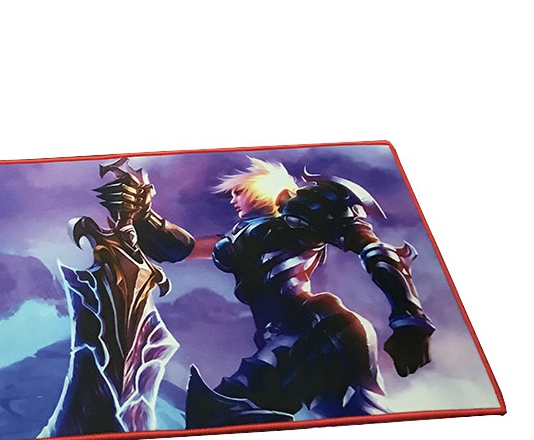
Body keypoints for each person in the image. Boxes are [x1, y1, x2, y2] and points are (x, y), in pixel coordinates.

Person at [110, 157, 434, 426]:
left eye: (238, 191)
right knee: (340, 416)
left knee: (230, 408)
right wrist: (143, 215)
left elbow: (374, 249)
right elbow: (182, 249)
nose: (233, 200)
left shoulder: (299, 220)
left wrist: (409, 320)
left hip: (318, 330)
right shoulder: (236, 240)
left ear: (264, 189)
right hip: (283, 339)